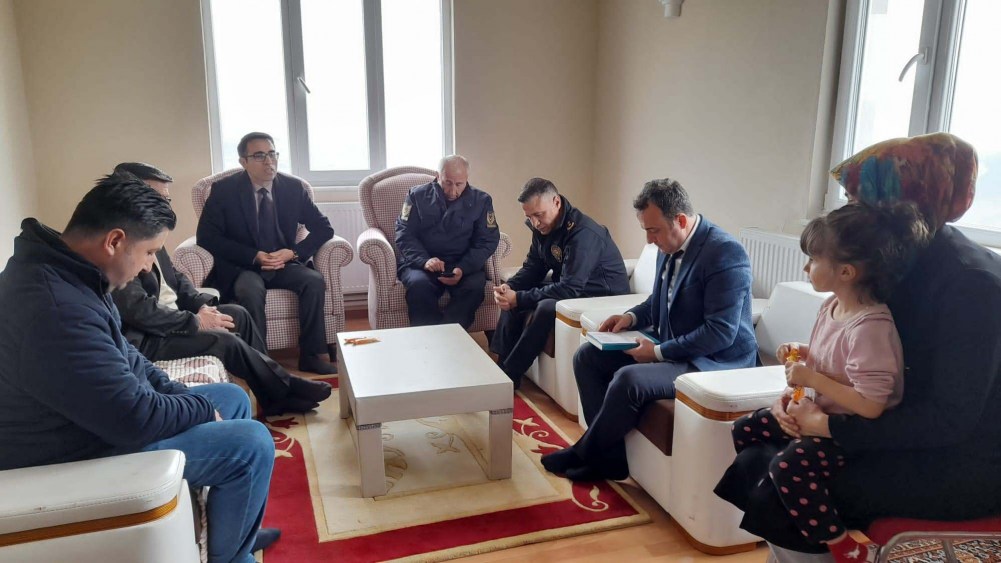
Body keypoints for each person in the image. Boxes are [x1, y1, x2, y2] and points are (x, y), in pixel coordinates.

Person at [713, 133, 1001, 563]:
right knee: (759, 452)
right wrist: (798, 403)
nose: (848, 211)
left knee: (782, 482)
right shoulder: (895, 259)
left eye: (857, 200)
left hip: (957, 461)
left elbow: (949, 420)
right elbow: (852, 364)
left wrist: (828, 426)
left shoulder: (972, 285)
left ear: (907, 201)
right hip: (887, 423)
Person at [0, 175, 278, 563]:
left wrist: (182, 396)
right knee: (251, 444)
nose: (149, 268)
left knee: (231, 398)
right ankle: (231, 557)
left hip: (92, 421)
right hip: (70, 452)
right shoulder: (56, 309)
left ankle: (234, 529)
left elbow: (131, 359)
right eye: (149, 253)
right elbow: (133, 417)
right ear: (114, 241)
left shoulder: (71, 273)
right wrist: (199, 409)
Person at [721, 201, 930, 563]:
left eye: (813, 259)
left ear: (846, 271)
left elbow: (871, 404)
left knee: (788, 467)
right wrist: (803, 353)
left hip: (851, 429)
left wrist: (812, 378)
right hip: (818, 411)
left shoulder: (871, 327)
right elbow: (835, 359)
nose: (806, 267)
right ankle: (769, 502)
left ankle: (840, 543)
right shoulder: (831, 306)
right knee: (745, 428)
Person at [541, 178, 757, 481]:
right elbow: (659, 299)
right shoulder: (668, 245)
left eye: (653, 230)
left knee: (629, 379)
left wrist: (657, 352)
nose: (649, 240)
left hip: (714, 362)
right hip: (677, 347)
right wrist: (630, 318)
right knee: (587, 357)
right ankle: (611, 461)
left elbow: (720, 333)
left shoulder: (725, 253)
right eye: (646, 230)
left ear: (681, 220)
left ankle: (584, 452)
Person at [111, 162, 332, 416]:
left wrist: (201, 304)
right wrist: (195, 321)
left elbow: (175, 278)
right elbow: (138, 310)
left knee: (239, 315)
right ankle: (284, 386)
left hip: (173, 316)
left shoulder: (146, 230)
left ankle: (271, 393)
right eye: (157, 198)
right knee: (226, 341)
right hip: (151, 336)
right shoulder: (119, 245)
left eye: (166, 199)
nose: (166, 207)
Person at [196, 132, 336, 374]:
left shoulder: (293, 188)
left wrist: (293, 253)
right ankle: (260, 362)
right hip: (244, 266)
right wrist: (254, 255)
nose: (269, 161)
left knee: (313, 281)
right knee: (249, 292)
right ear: (243, 161)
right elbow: (207, 237)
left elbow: (324, 229)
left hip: (283, 264)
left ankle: (311, 355)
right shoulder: (224, 190)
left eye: (272, 154)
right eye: (259, 156)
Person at [490, 177, 630, 387]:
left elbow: (571, 288)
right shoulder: (542, 227)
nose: (535, 223)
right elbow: (533, 268)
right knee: (516, 296)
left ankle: (511, 375)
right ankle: (501, 366)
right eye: (529, 217)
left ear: (556, 202)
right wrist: (510, 288)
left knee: (545, 306)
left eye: (539, 215)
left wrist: (518, 298)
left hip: (601, 295)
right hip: (573, 287)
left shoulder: (583, 233)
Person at [395, 155, 500, 328]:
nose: (452, 191)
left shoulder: (482, 200)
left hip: (462, 263)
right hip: (422, 263)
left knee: (473, 288)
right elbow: (404, 233)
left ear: (467, 178)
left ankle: (448, 336)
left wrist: (463, 267)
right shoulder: (416, 195)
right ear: (438, 176)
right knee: (419, 286)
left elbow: (487, 240)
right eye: (447, 183)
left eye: (459, 184)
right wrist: (424, 260)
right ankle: (428, 338)